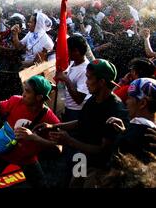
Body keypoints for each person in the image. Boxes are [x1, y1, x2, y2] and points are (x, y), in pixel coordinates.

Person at [39, 59, 129, 188]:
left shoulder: (115, 110)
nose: (86, 82)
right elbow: (82, 122)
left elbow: (103, 150)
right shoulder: (93, 99)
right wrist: (53, 126)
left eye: (89, 78)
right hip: (82, 158)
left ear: (102, 82)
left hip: (99, 169)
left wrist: (69, 140)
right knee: (73, 184)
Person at [0, 75, 61, 188]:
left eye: (27, 91)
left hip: (27, 159)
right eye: (24, 90)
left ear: (39, 97)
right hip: (2, 151)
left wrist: (34, 138)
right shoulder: (16, 101)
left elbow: (59, 148)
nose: (23, 94)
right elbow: (1, 105)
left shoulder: (50, 119)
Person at [106, 78, 156, 163]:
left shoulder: (129, 139)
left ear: (142, 103)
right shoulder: (151, 134)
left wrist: (125, 136)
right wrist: (126, 131)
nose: (126, 101)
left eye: (129, 97)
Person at [54, 34, 91, 122]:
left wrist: (66, 79)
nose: (66, 53)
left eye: (67, 50)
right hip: (69, 108)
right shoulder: (74, 62)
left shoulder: (85, 70)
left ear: (76, 51)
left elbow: (79, 99)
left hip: (77, 112)